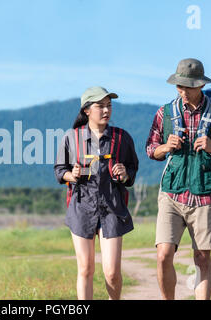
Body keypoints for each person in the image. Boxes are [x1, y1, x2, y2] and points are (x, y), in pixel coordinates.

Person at [146, 58, 211, 300]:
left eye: (187, 87)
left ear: (200, 86)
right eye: (178, 86)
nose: (182, 92)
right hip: (171, 192)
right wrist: (164, 147)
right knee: (163, 255)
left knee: (202, 258)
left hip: (205, 195)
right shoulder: (165, 113)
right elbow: (151, 149)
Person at [54, 86, 139, 300]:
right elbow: (59, 170)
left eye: (109, 105)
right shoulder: (71, 138)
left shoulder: (121, 137)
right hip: (82, 208)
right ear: (86, 111)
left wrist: (125, 173)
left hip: (112, 209)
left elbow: (132, 167)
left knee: (111, 273)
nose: (106, 110)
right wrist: (71, 175)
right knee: (85, 269)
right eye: (100, 106)